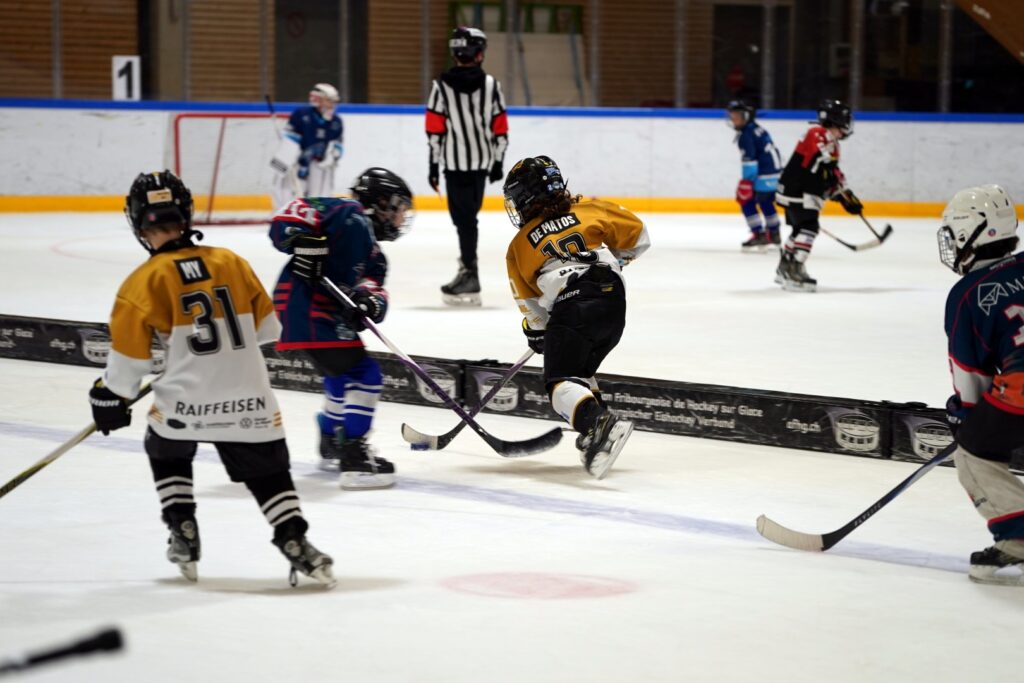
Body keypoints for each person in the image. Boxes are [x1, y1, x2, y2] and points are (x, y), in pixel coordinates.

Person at [88, 170, 334, 587]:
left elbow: (127, 368)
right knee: (268, 472)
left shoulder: (142, 282)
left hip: (184, 405)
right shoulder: (230, 262)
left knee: (165, 446)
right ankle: (293, 536)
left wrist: (108, 396)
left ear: (138, 223)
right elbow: (267, 331)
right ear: (186, 214)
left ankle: (182, 526)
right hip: (250, 401)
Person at [503, 156, 650, 479]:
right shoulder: (590, 209)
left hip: (574, 306)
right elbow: (639, 236)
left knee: (559, 382)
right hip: (613, 303)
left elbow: (533, 311)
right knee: (578, 373)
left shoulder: (519, 245)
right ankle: (593, 429)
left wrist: (537, 332)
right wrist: (612, 262)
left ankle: (599, 424)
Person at [269, 168, 413, 490]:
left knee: (340, 375)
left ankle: (331, 439)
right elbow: (288, 215)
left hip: (315, 311)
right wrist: (302, 239)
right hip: (306, 304)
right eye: (400, 208)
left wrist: (369, 303)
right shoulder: (347, 212)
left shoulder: (376, 256)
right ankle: (354, 455)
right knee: (365, 375)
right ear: (382, 203)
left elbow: (372, 287)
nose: (402, 218)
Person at [937, 184, 1024, 585]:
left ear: (971, 233)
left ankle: (1018, 536)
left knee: (974, 450)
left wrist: (965, 418)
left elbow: (970, 377)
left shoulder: (967, 293)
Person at [425, 26, 509, 306]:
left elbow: (434, 129)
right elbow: (500, 126)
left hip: (454, 164)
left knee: (463, 222)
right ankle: (469, 270)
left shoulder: (440, 86)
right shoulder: (491, 85)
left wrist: (433, 164)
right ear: (479, 54)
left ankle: (470, 273)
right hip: (481, 164)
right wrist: (498, 160)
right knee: (468, 220)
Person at [774, 99, 864, 291]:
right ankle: (795, 269)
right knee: (809, 227)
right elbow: (822, 162)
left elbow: (831, 171)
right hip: (799, 190)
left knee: (800, 229)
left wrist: (845, 195)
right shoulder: (817, 132)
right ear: (836, 120)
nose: (847, 125)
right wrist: (835, 187)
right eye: (845, 120)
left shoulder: (830, 141)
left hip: (798, 189)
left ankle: (785, 267)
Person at [269, 83, 344, 210]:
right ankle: (282, 214)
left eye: (334, 101)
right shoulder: (301, 115)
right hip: (298, 161)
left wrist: (333, 156)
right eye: (329, 101)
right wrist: (286, 158)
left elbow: (338, 145)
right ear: (317, 100)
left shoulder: (336, 122)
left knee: (323, 176)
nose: (332, 105)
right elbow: (290, 141)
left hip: (318, 164)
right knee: (283, 180)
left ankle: (319, 215)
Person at [726, 100, 783, 251]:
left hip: (763, 175)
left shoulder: (746, 135)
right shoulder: (758, 129)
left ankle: (759, 234)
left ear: (746, 116)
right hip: (774, 174)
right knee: (766, 202)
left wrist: (747, 182)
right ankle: (774, 233)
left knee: (746, 201)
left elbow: (750, 163)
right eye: (732, 116)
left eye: (736, 116)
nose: (733, 119)